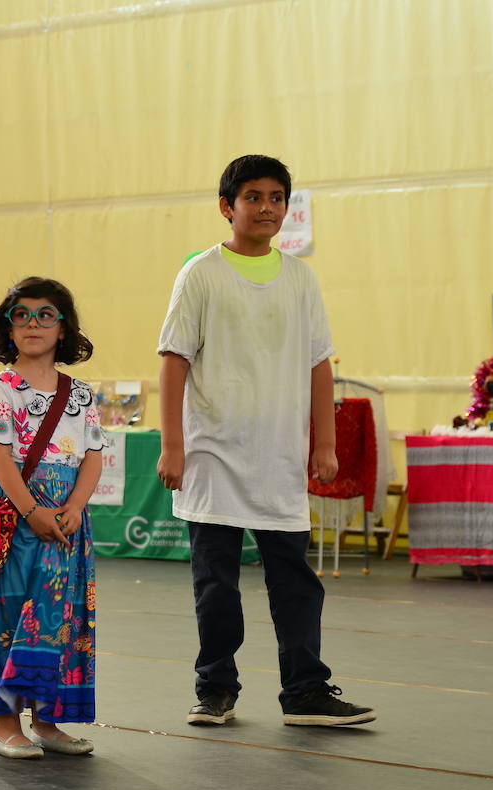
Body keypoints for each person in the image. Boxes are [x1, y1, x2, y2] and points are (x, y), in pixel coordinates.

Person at [156, 154, 378, 728]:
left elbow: (318, 364)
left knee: (296, 584)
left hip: (278, 460)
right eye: (253, 196)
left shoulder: (301, 277)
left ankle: (305, 691)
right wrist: (173, 445)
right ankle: (215, 690)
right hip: (213, 458)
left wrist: (323, 445)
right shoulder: (200, 274)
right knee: (216, 587)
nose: (266, 207)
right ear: (227, 207)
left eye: (277, 197)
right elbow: (175, 361)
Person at [0, 277, 105, 759]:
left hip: (66, 521)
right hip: (18, 518)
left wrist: (76, 506)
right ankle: (5, 725)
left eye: (46, 315)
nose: (33, 324)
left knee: (58, 619)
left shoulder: (80, 393)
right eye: (21, 315)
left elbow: (93, 457)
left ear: (64, 328)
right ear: (8, 326)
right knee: (9, 613)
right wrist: (32, 511)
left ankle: (47, 720)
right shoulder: (2, 386)